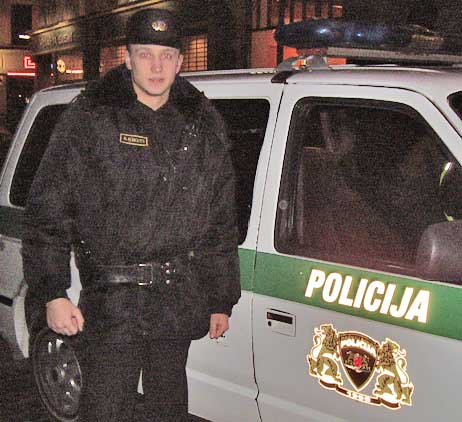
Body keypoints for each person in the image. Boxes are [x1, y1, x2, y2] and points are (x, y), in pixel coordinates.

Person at [21, 8, 241, 422]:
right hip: (112, 302)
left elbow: (219, 220)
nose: (156, 66)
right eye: (144, 54)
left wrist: (221, 298)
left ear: (180, 60)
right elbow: (47, 210)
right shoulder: (91, 117)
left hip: (177, 299)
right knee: (104, 410)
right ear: (126, 57)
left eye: (165, 55)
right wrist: (51, 291)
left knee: (168, 411)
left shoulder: (202, 122)